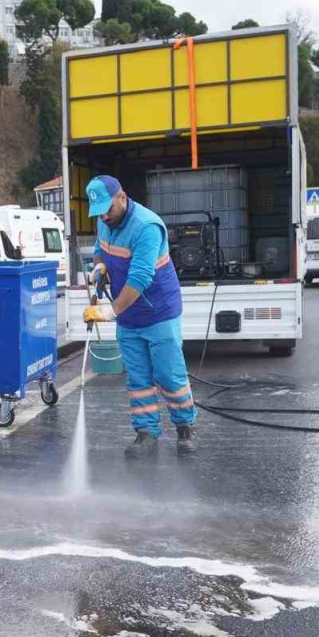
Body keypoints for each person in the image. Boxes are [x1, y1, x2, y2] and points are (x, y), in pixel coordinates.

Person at [82, 175, 198, 457]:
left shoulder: (146, 226)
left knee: (169, 376)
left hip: (158, 311)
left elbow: (141, 277)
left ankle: (186, 427)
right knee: (138, 378)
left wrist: (112, 310)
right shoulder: (104, 220)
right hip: (130, 317)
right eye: (99, 213)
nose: (104, 217)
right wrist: (98, 268)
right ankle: (146, 433)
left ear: (122, 197)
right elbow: (100, 249)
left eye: (108, 210)